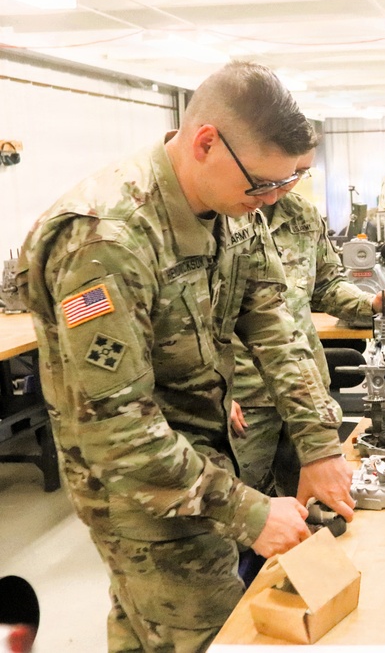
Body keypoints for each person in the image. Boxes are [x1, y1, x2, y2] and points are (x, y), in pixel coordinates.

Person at [16, 61, 357, 653]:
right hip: (139, 485)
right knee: (208, 631)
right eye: (264, 184)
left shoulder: (234, 210)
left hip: (205, 456)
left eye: (289, 183)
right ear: (206, 143)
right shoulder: (106, 239)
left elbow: (275, 324)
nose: (275, 198)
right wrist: (249, 512)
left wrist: (319, 443)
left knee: (146, 626)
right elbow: (117, 431)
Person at [229, 147, 385, 498]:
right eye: (287, 171)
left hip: (306, 390)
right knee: (248, 505)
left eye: (302, 172)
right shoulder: (225, 216)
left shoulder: (303, 215)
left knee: (312, 502)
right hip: (245, 396)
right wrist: (214, 393)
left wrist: (370, 303)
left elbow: (326, 284)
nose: (291, 181)